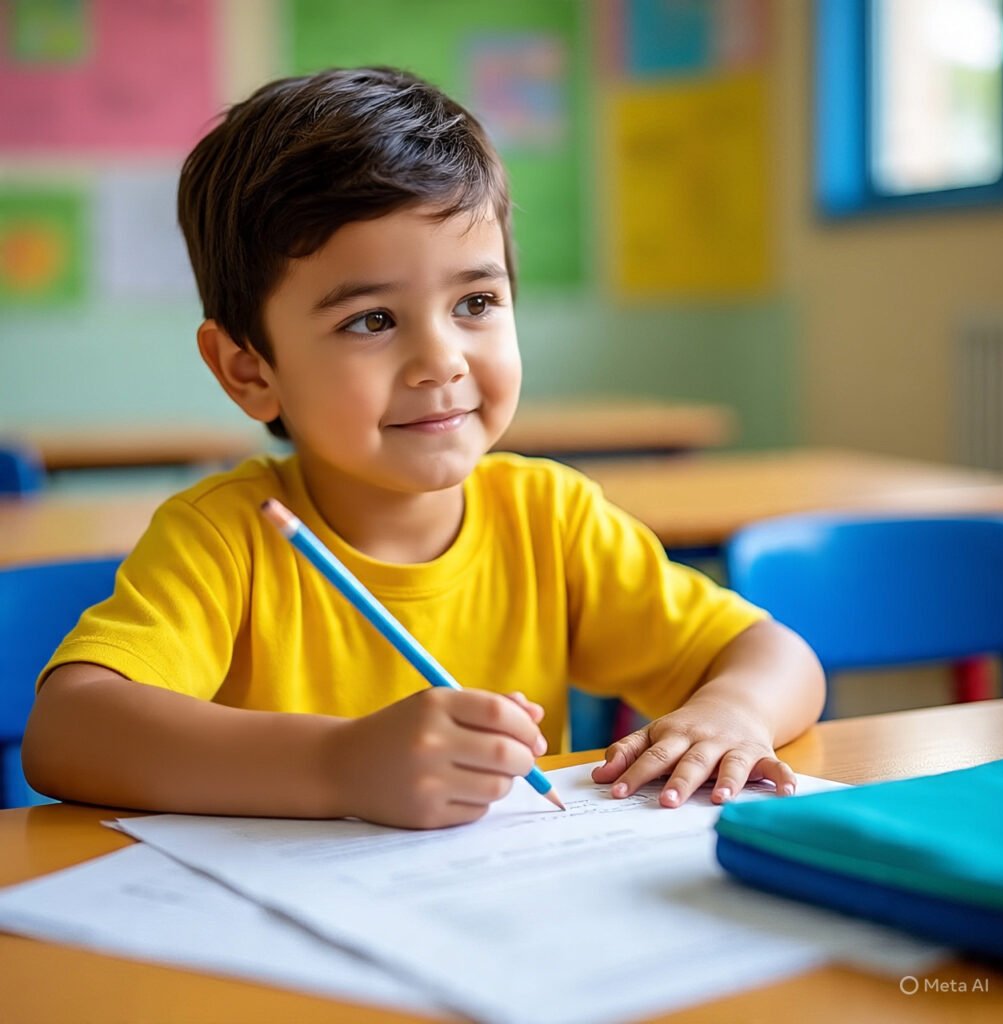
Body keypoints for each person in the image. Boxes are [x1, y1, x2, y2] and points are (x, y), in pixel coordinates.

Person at [23, 68, 825, 829]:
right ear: (249, 369)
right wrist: (339, 766)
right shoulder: (227, 538)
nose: (441, 361)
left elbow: (775, 654)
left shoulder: (549, 519)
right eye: (371, 320)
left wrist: (733, 710)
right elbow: (68, 733)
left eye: (475, 302)